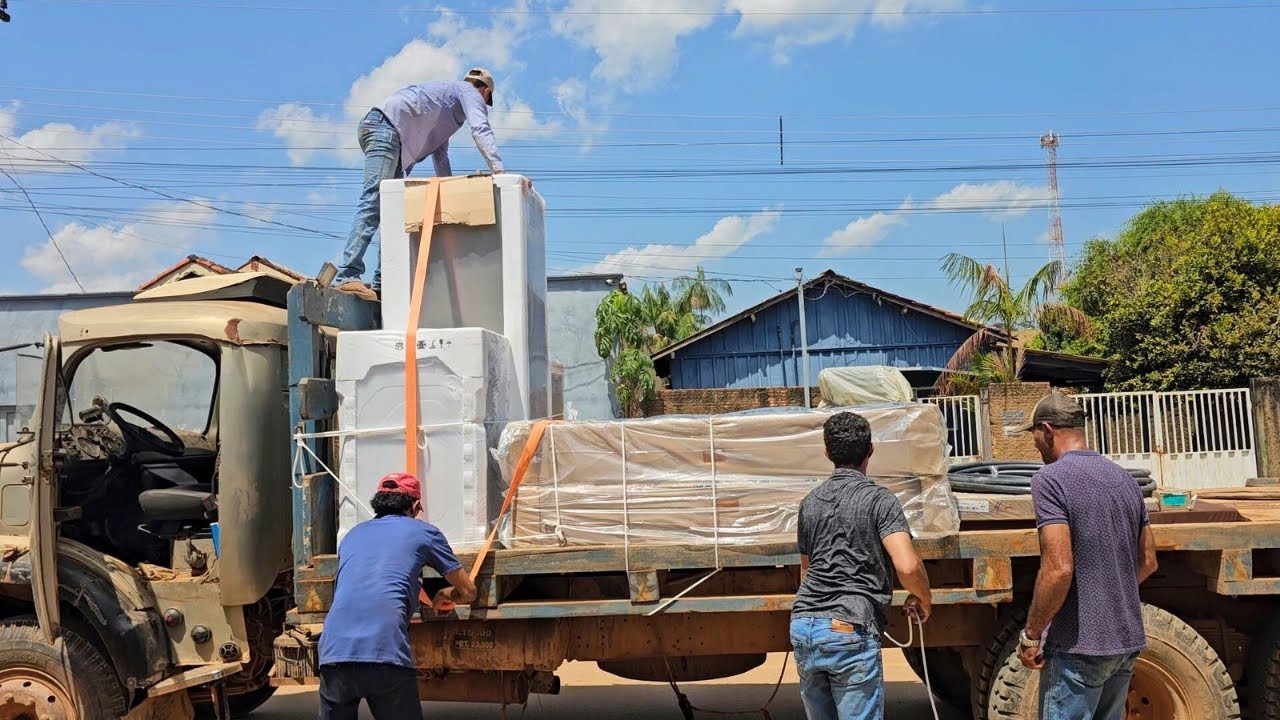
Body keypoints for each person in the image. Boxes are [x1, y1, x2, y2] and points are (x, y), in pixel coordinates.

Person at [1014, 392, 1158, 720]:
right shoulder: (1125, 480)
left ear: (1047, 430)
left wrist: (1031, 635)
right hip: (1125, 641)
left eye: (1034, 434)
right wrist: (1106, 593)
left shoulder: (1049, 481)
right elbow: (1148, 560)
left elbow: (1059, 568)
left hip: (1079, 646)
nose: (1034, 444)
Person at [791, 411, 933, 720]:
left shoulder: (810, 503)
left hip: (804, 627)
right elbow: (907, 566)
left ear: (827, 453)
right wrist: (923, 598)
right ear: (871, 450)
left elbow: (806, 570)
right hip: (850, 626)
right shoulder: (880, 501)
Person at [334, 68, 506, 300]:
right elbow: (480, 128)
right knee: (374, 200)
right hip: (385, 128)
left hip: (387, 131)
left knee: (393, 213)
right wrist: (499, 172)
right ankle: (347, 275)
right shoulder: (468, 91)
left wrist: (450, 195)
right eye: (485, 100)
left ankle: (382, 284)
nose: (483, 104)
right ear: (485, 92)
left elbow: (440, 156)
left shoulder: (445, 107)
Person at [317, 472, 477, 720]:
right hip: (385, 650)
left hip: (334, 652)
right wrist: (445, 593)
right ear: (415, 506)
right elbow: (468, 591)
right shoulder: (425, 533)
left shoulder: (352, 536)